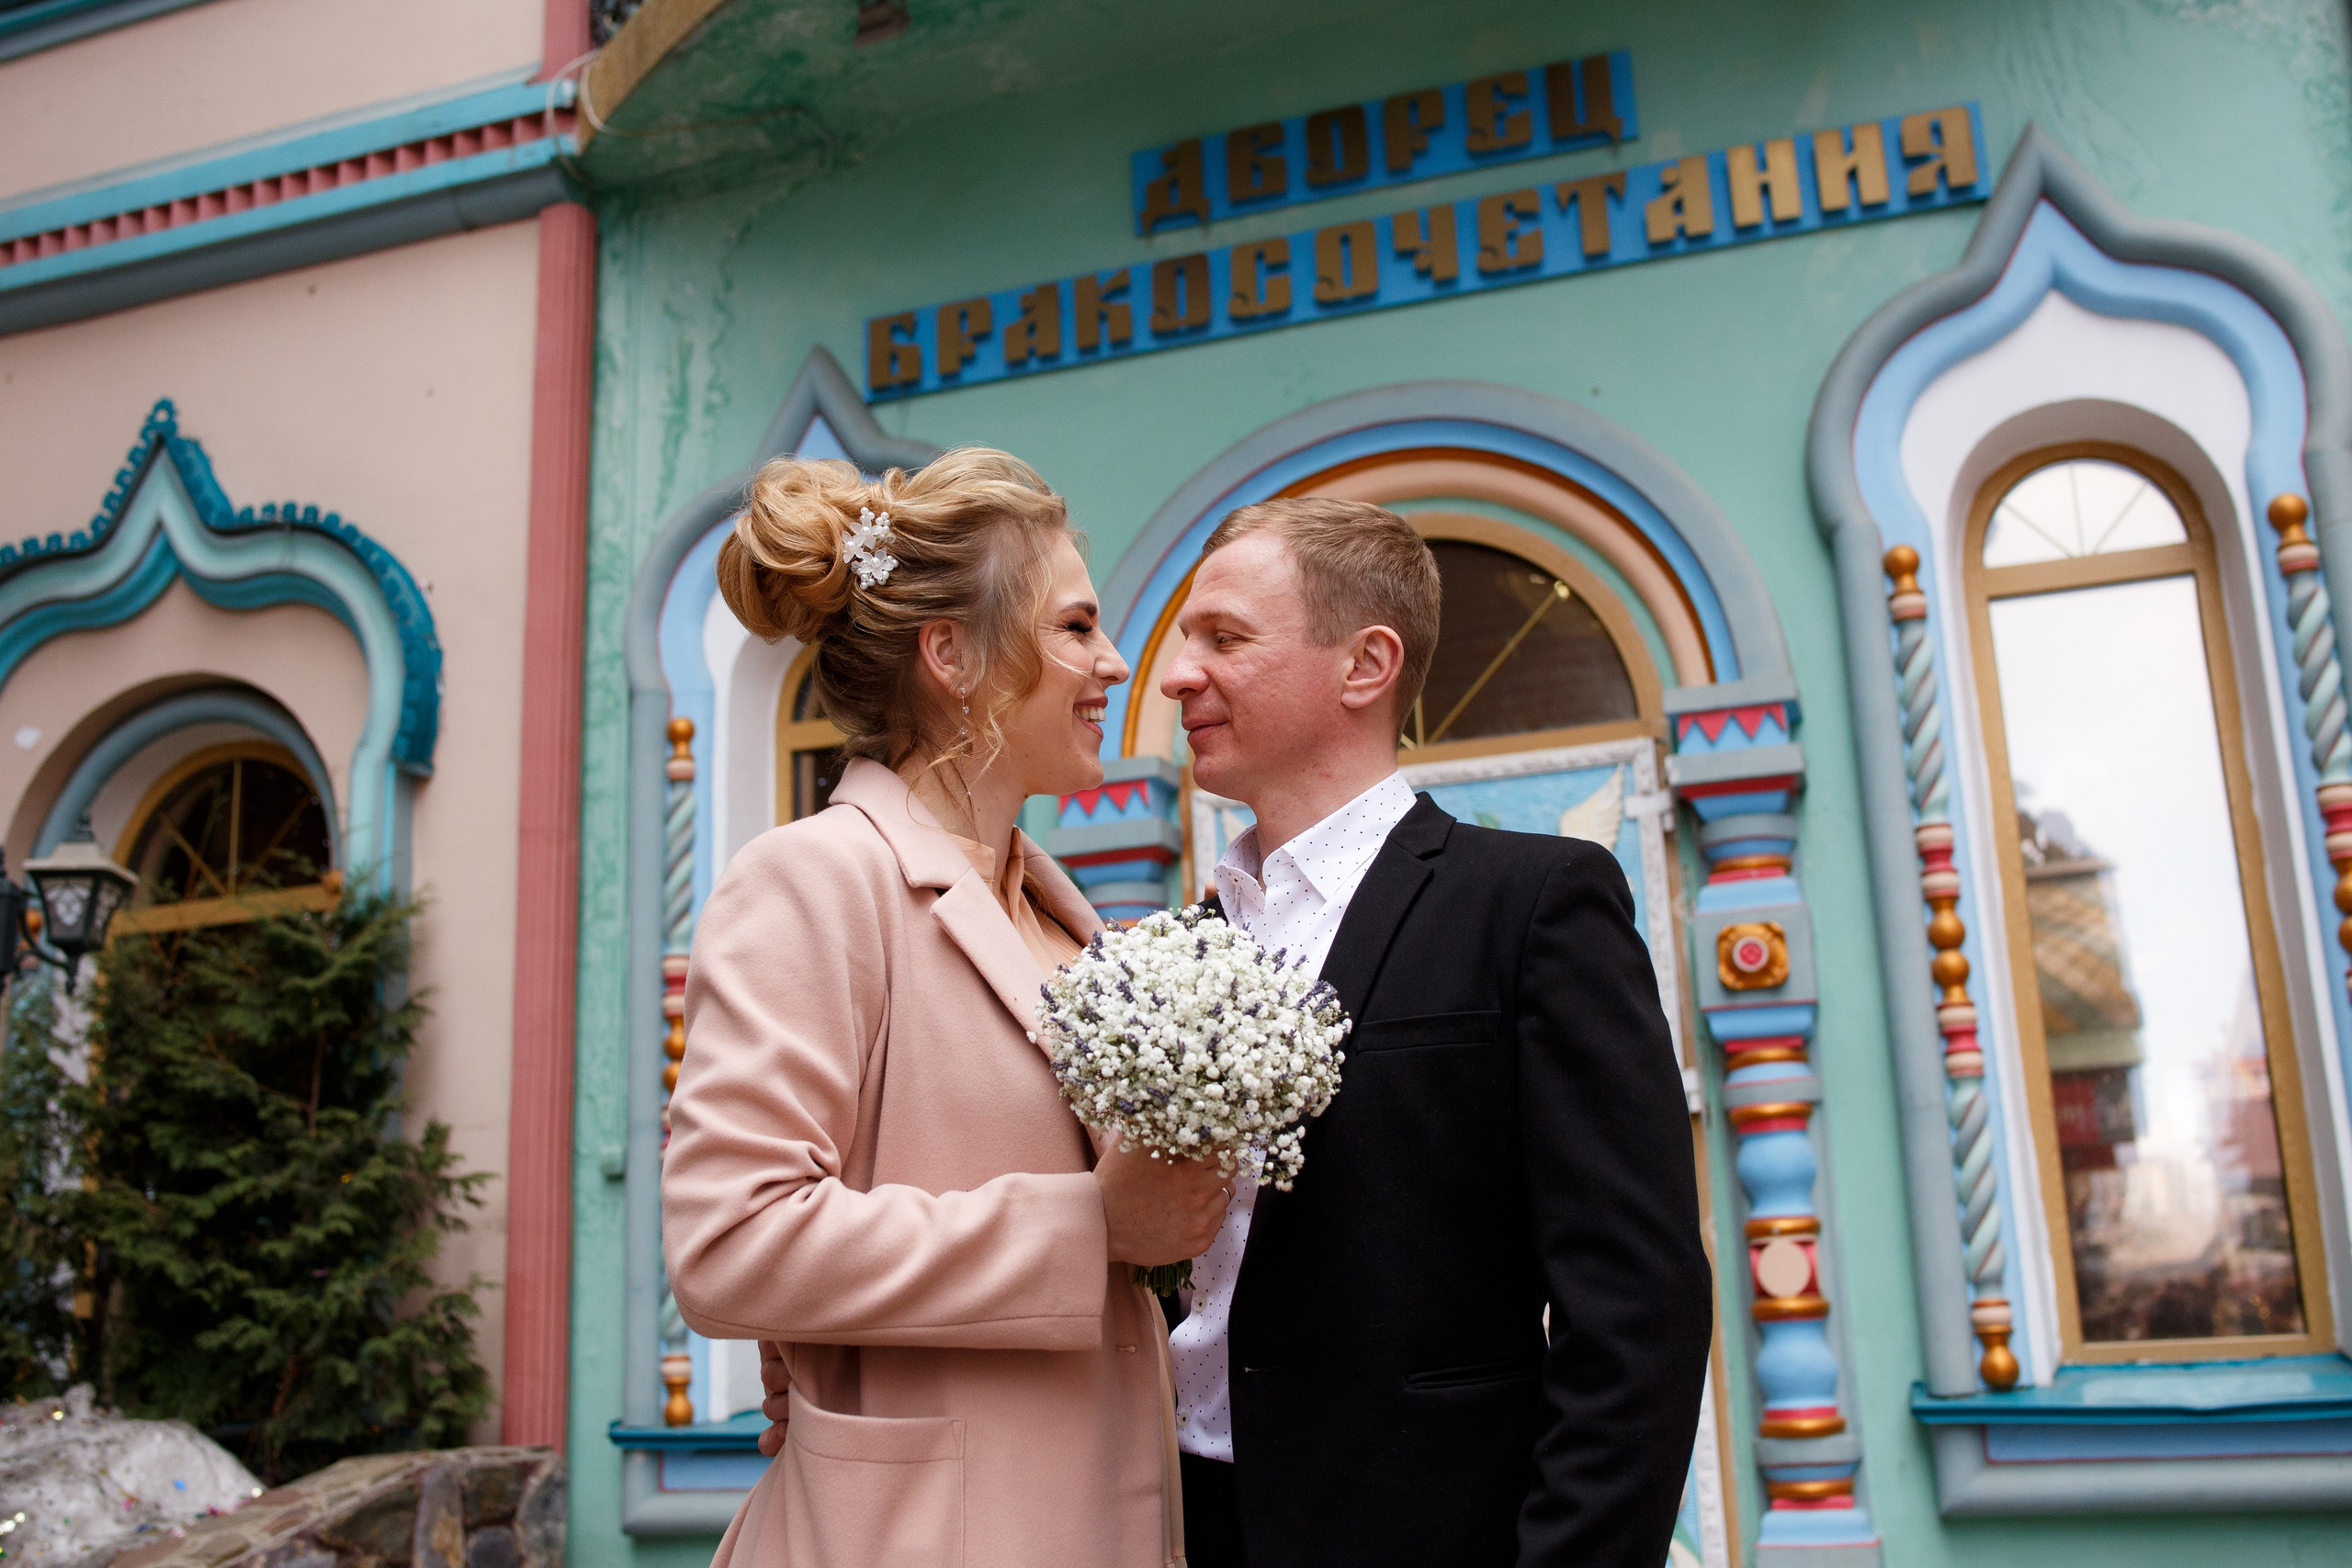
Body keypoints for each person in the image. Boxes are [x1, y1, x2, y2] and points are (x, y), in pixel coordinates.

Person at [662, 449, 1227, 1568]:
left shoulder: (1065, 920)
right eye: (1075, 628)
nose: (1114, 663)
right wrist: (1090, 1227)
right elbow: (730, 1239)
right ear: (951, 655)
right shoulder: (816, 881)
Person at [1159, 498, 1714, 1567]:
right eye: (1186, 641)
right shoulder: (1186, 942)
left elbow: (1636, 1308)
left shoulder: (1535, 904)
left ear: (1365, 664)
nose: (1179, 674)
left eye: (1223, 638)